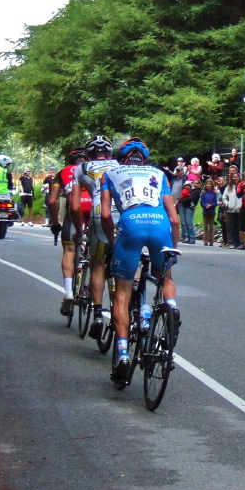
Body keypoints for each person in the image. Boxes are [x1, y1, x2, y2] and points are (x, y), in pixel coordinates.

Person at [100, 137, 180, 384]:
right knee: (164, 277)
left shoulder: (111, 173)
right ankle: (171, 308)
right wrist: (172, 251)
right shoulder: (158, 173)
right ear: (144, 159)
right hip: (160, 223)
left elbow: (104, 214)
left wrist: (113, 244)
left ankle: (123, 352)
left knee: (122, 294)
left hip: (131, 222)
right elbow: (175, 219)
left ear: (122, 158)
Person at [70, 135, 120, 339]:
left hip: (99, 215)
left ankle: (98, 314)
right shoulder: (120, 165)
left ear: (89, 154)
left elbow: (74, 206)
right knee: (126, 264)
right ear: (108, 153)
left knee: (98, 264)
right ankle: (126, 308)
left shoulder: (81, 169)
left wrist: (79, 231)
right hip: (123, 214)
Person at [49, 148, 90, 315]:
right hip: (94, 209)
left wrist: (55, 223)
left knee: (69, 250)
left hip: (75, 209)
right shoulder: (94, 169)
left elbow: (52, 201)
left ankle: (69, 292)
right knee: (97, 252)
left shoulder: (64, 172)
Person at [221, 172, 243, 249]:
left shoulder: (242, 186)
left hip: (239, 210)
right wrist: (227, 204)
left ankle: (238, 242)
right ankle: (232, 242)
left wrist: (241, 205)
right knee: (231, 226)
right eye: (233, 177)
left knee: (238, 226)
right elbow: (224, 197)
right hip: (230, 210)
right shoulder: (228, 187)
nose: (235, 178)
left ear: (239, 178)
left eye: (236, 177)